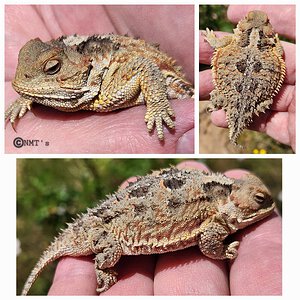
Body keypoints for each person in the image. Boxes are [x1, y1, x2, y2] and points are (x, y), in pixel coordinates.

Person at [48, 160, 281, 295]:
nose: (267, 204)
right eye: (259, 199)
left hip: (130, 208)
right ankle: (102, 268)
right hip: (111, 229)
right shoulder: (219, 218)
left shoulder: (221, 209)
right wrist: (222, 251)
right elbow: (208, 244)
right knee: (110, 255)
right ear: (235, 199)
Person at [5, 5, 194, 154]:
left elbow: (144, 67)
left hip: (168, 80)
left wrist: (157, 106)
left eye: (53, 68)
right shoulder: (63, 74)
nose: (22, 78)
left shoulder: (109, 86)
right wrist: (27, 95)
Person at [200, 5, 295, 152]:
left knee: (219, 95)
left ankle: (218, 106)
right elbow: (280, 52)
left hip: (232, 92)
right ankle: (235, 131)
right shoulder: (272, 48)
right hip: (256, 99)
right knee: (267, 101)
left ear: (242, 25)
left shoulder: (231, 40)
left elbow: (215, 43)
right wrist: (276, 41)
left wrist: (210, 37)